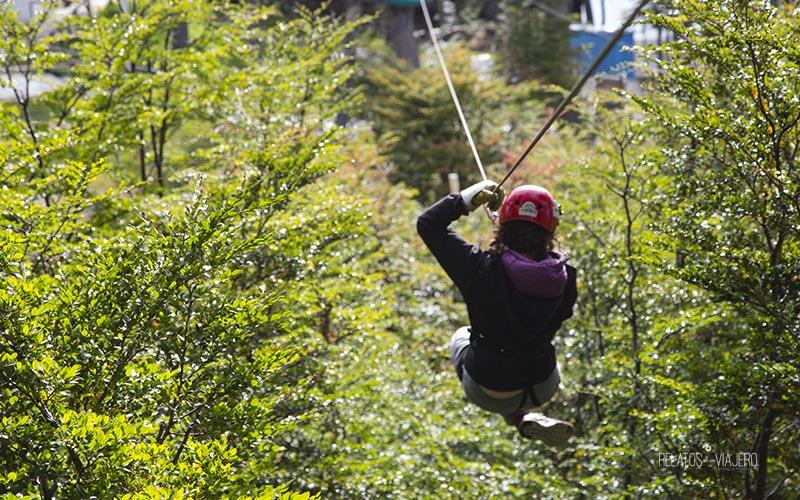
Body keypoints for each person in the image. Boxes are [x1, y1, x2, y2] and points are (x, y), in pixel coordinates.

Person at [416, 180, 577, 447]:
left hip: (488, 389)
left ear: (503, 226)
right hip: (542, 384)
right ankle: (520, 417)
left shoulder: (479, 270)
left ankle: (516, 416)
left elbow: (428, 224)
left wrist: (467, 198)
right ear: (551, 229)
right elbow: (555, 302)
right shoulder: (565, 276)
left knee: (462, 336)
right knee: (527, 349)